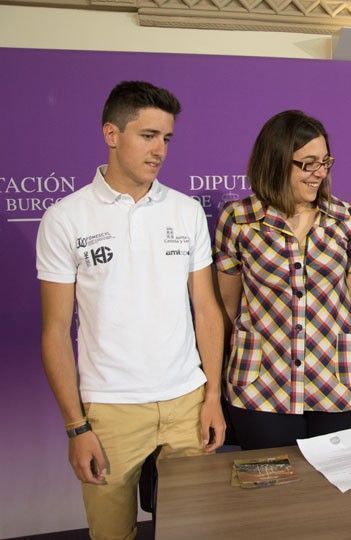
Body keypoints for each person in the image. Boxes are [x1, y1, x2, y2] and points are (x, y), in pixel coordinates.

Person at [36, 81, 226, 539]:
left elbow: (206, 309)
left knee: (193, 529)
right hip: (110, 409)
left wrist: (213, 397)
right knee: (112, 534)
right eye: (147, 135)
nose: (159, 149)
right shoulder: (66, 218)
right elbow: (56, 330)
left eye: (167, 138)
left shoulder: (185, 211)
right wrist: (75, 427)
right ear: (111, 133)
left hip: (187, 402)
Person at [214, 110, 351, 449]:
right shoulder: (238, 220)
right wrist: (213, 387)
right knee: (276, 498)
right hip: (260, 388)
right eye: (308, 163)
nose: (319, 173)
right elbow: (226, 307)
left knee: (343, 496)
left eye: (325, 162)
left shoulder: (345, 218)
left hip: (338, 381)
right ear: (277, 161)